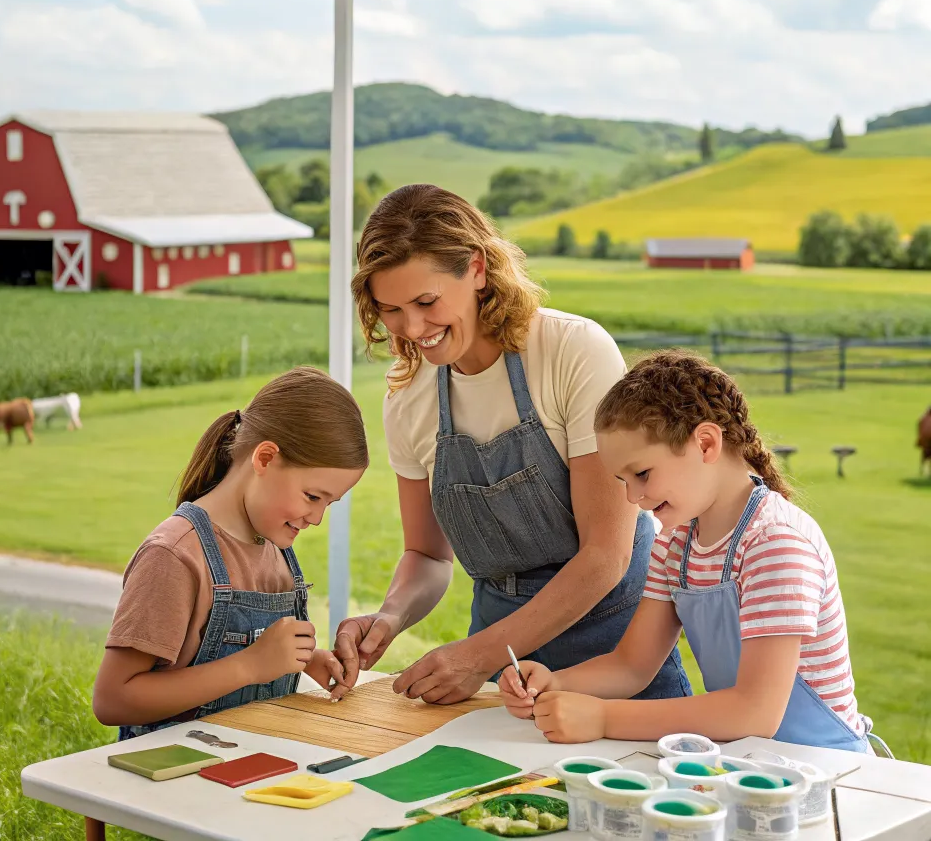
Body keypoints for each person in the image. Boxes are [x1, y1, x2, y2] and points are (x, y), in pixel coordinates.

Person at [335, 184, 689, 705]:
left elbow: (604, 556)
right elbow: (426, 555)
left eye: (427, 301)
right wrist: (388, 618)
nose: (412, 329)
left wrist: (479, 656)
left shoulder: (571, 352)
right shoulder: (407, 398)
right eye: (390, 309)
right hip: (507, 671)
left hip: (616, 653)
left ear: (477, 270)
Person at [500, 350, 874, 753]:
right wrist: (555, 683)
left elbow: (755, 713)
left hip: (828, 771)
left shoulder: (775, 544)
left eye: (642, 474)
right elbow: (632, 666)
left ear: (706, 443)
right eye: (622, 480)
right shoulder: (676, 545)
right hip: (752, 763)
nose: (634, 498)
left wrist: (604, 717)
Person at [92, 367, 368, 739]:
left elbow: (257, 656)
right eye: (312, 496)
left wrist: (305, 660)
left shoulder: (274, 550)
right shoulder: (174, 556)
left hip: (253, 772)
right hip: (174, 784)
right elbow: (113, 699)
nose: (317, 518)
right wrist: (251, 666)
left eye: (329, 504)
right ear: (265, 458)